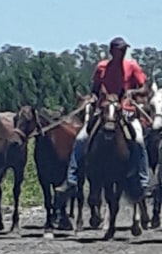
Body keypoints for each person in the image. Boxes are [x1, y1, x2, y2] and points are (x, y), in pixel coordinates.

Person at [56, 37, 152, 200]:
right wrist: (93, 97)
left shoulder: (132, 66)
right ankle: (71, 179)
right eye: (119, 50)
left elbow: (145, 87)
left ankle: (143, 181)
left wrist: (132, 93)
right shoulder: (102, 67)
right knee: (80, 139)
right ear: (112, 51)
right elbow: (94, 88)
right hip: (104, 110)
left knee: (139, 140)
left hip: (126, 110)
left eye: (123, 50)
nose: (121, 53)